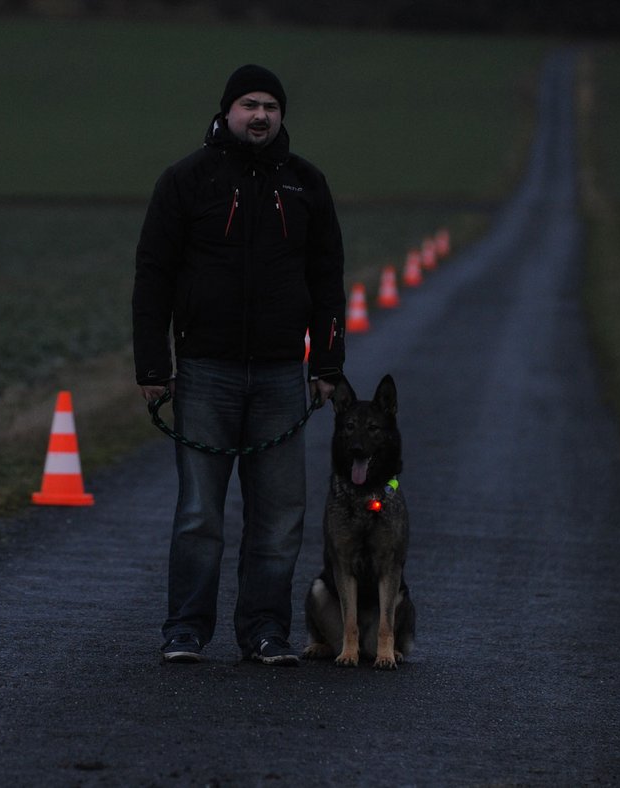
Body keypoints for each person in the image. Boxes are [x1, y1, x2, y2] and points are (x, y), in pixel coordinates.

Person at [132, 64, 347, 665]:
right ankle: (185, 631)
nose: (260, 115)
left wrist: (327, 361)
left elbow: (328, 279)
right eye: (249, 104)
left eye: (271, 106)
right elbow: (154, 276)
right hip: (205, 371)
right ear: (227, 111)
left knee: (280, 517)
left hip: (283, 373)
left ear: (281, 116)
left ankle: (264, 632)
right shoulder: (186, 180)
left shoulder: (307, 184)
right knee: (200, 514)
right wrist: (154, 365)